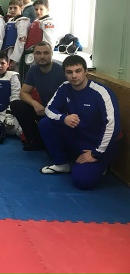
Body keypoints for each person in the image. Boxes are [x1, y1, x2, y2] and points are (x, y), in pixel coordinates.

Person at [39, 55, 121, 190]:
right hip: (80, 135)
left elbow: (113, 127)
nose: (74, 76)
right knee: (45, 123)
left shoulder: (101, 92)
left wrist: (96, 153)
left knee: (82, 181)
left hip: (101, 143)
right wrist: (64, 118)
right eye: (69, 72)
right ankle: (62, 163)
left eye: (78, 71)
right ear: (65, 74)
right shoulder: (65, 87)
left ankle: (101, 164)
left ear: (86, 71)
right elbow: (49, 109)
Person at [10, 41, 66, 151]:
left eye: (46, 53)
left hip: (60, 114)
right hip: (44, 110)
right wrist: (35, 104)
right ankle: (36, 140)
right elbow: (23, 93)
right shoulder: (34, 70)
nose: (42, 56)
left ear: (51, 54)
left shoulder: (61, 72)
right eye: (38, 53)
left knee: (54, 153)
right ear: (34, 55)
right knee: (16, 105)